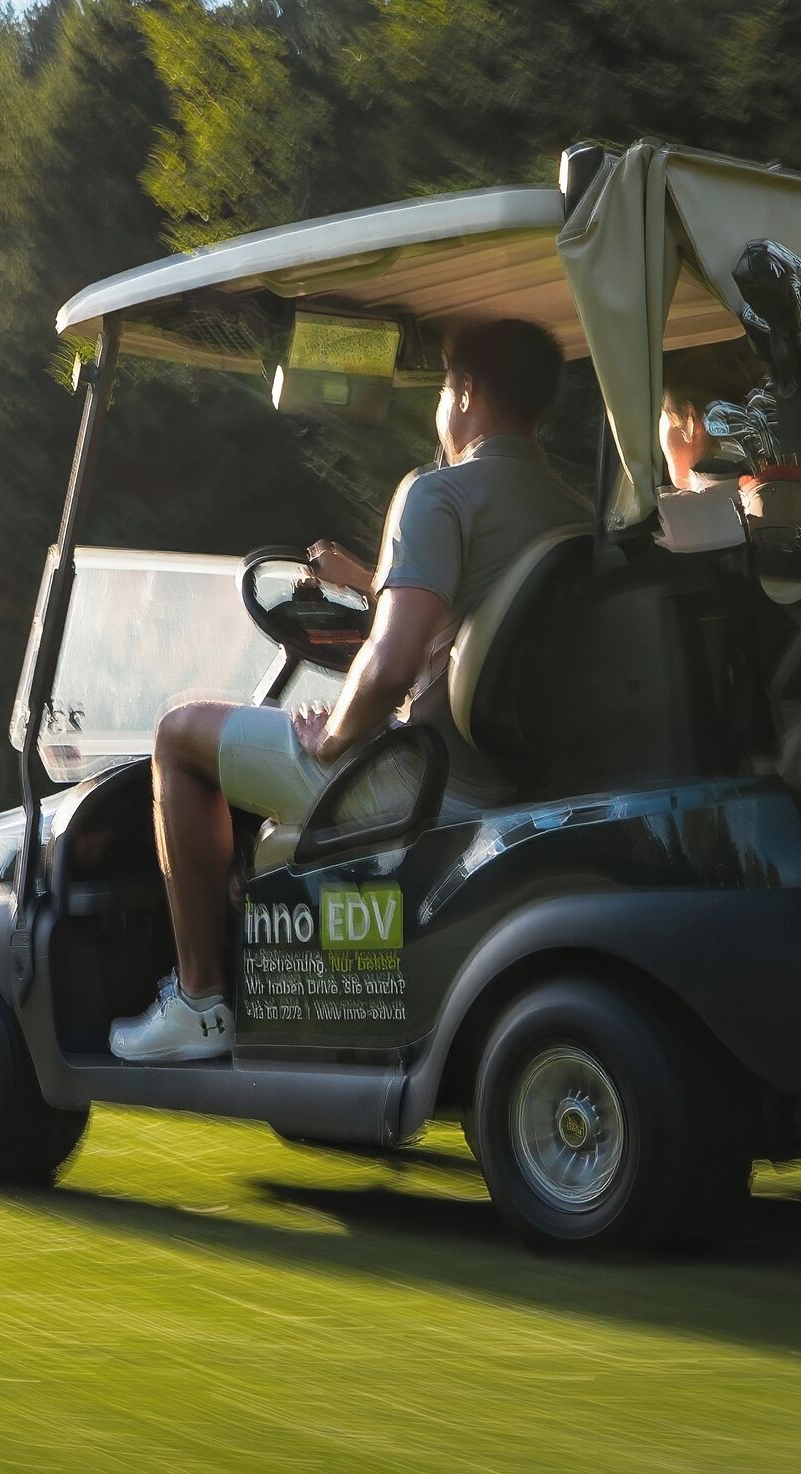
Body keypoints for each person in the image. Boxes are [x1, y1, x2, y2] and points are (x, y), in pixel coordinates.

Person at [111, 316, 584, 1064]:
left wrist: (332, 734)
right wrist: (368, 588)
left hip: (425, 783)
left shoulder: (440, 494)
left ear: (464, 393)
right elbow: (450, 629)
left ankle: (198, 1001)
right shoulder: (574, 512)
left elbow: (392, 664)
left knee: (179, 735)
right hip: (509, 781)